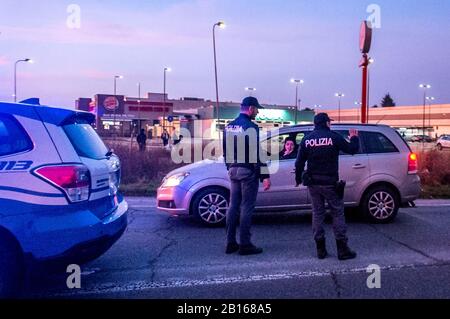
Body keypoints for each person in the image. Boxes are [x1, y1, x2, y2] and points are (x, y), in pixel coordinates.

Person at [295, 113, 359, 260]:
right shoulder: (334, 137)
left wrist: (298, 178)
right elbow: (352, 149)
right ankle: (342, 250)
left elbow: (299, 163)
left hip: (313, 183)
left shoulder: (307, 139)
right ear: (326, 123)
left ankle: (320, 250)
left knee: (317, 214)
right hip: (330, 183)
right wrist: (354, 137)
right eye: (329, 122)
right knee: (337, 213)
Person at [223, 96, 271, 256]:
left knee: (233, 206)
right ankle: (245, 244)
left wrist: (229, 167)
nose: (257, 112)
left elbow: (226, 151)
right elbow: (257, 152)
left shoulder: (229, 126)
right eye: (256, 109)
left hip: (233, 170)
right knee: (246, 207)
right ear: (250, 108)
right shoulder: (251, 127)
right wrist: (264, 175)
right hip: (247, 171)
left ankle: (230, 243)